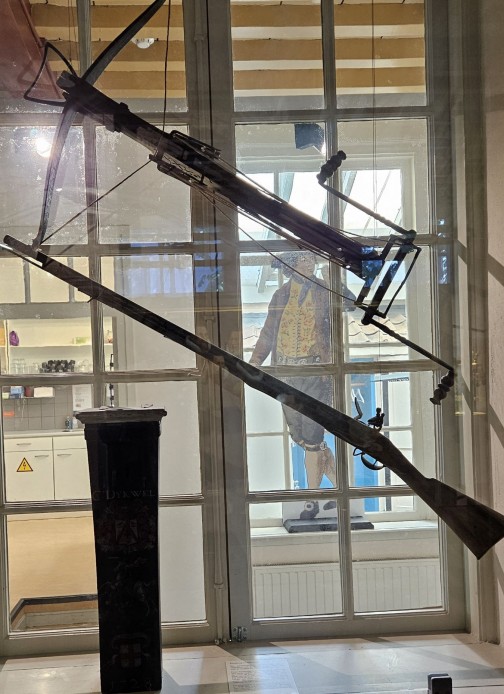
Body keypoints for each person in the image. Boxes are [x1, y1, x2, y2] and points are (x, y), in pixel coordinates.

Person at [249, 250, 336, 488]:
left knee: (313, 434)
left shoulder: (325, 291)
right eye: (303, 259)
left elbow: (348, 305)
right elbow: (268, 332)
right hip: (286, 372)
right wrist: (256, 360)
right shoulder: (281, 295)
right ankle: (336, 480)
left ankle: (313, 495)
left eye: (312, 259)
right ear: (291, 265)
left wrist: (333, 283)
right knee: (298, 434)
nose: (310, 264)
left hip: (314, 370)